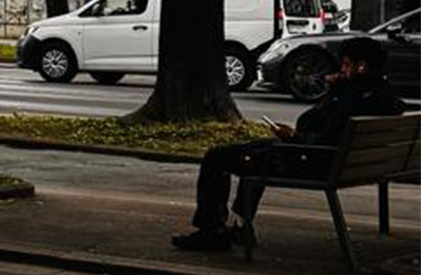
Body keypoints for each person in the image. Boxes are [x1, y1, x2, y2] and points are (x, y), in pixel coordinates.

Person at [173, 34, 405, 251]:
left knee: (218, 157)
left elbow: (314, 127)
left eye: (345, 64)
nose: (341, 69)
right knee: (252, 153)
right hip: (348, 165)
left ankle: (211, 230)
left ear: (360, 67)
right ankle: (241, 226)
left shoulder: (349, 97)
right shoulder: (384, 95)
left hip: (313, 163)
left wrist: (297, 135)